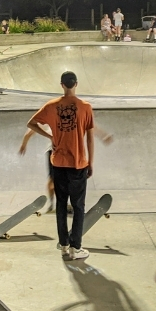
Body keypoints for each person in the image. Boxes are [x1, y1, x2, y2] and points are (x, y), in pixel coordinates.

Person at [25, 71, 97, 260]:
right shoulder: (86, 107)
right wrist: (91, 162)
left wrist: (51, 137)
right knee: (78, 207)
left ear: (62, 85)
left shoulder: (51, 106)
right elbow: (90, 138)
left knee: (61, 206)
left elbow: (31, 123)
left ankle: (64, 246)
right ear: (76, 84)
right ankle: (76, 248)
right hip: (78, 163)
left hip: (58, 163)